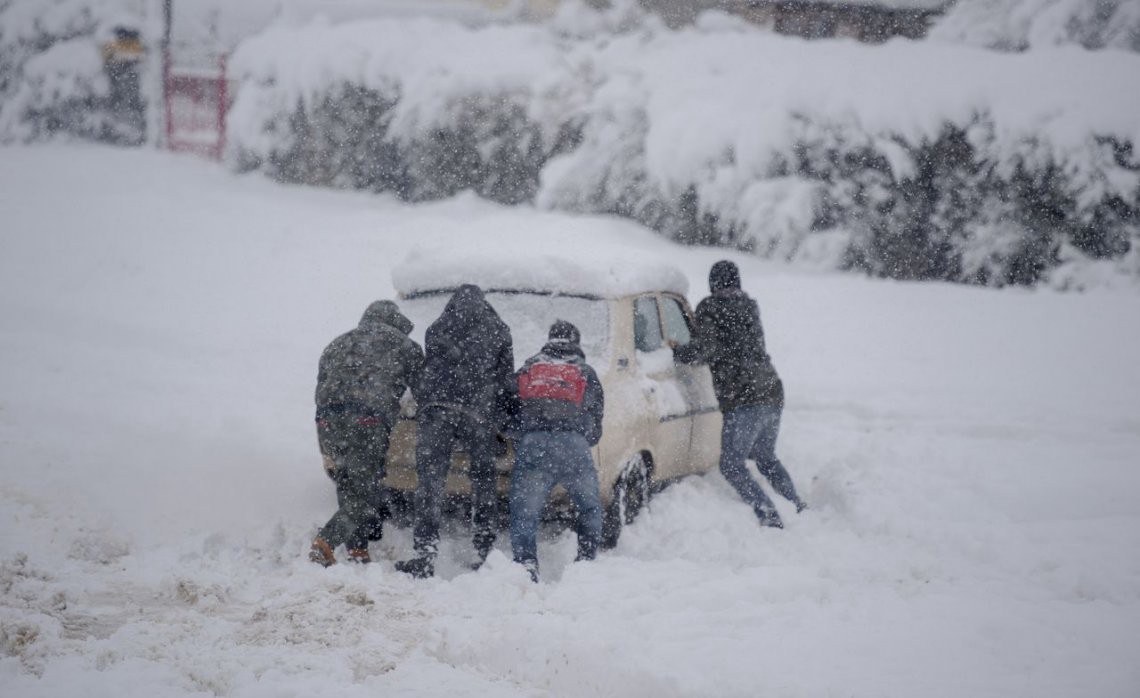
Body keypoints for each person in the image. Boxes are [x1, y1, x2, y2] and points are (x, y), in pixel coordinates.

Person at [673, 260, 806, 529]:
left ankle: (768, 515)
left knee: (732, 465)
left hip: (744, 396)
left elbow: (705, 350)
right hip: (771, 389)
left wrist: (676, 351)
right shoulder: (750, 306)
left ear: (713, 283)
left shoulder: (711, 308)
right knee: (766, 458)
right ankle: (797, 506)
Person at [396, 285, 514, 579]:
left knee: (430, 483)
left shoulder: (437, 328)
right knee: (484, 481)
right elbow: (505, 382)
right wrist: (499, 420)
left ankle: (424, 553)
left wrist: (430, 404)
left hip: (437, 411)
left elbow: (430, 371)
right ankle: (484, 549)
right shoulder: (499, 329)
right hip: (476, 414)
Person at [310, 300, 424, 566]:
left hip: (327, 421)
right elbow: (423, 388)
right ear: (395, 321)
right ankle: (326, 540)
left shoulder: (336, 343)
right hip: (366, 421)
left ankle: (357, 549)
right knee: (367, 491)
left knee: (347, 481)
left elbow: (322, 383)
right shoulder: (403, 345)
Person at [506, 320, 605, 583]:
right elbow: (596, 422)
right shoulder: (585, 371)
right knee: (590, 508)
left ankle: (526, 565)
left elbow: (509, 407)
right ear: (576, 342)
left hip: (534, 445)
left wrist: (523, 435)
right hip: (574, 446)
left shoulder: (530, 367)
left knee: (525, 512)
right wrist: (579, 438)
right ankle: (586, 561)